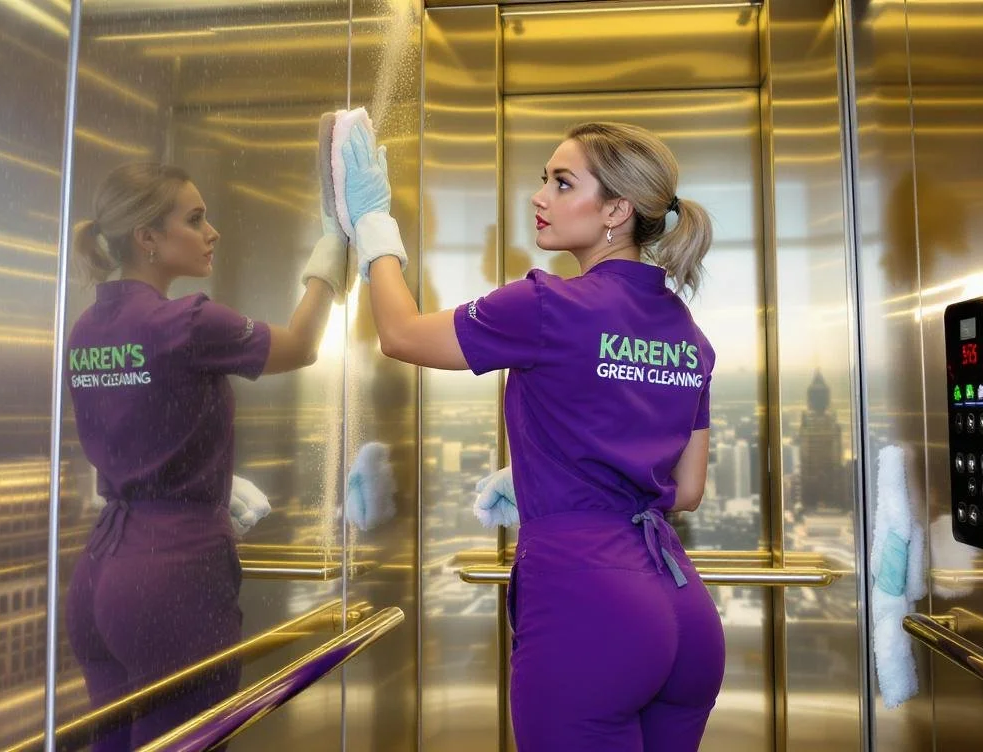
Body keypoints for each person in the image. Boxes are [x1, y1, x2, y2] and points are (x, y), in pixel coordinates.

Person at [338, 120, 726, 751]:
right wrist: (549, 477)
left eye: (563, 182)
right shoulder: (688, 334)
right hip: (683, 613)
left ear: (617, 211)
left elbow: (400, 333)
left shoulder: (546, 304)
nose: (539, 196)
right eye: (542, 179)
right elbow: (686, 490)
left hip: (588, 608)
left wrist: (374, 227)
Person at [64, 161, 349, 750]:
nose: (212, 232)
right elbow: (299, 347)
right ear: (147, 238)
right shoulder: (186, 321)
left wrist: (199, 471)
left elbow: (133, 427)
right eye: (195, 220)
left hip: (100, 572)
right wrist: (332, 253)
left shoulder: (87, 329)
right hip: (172, 574)